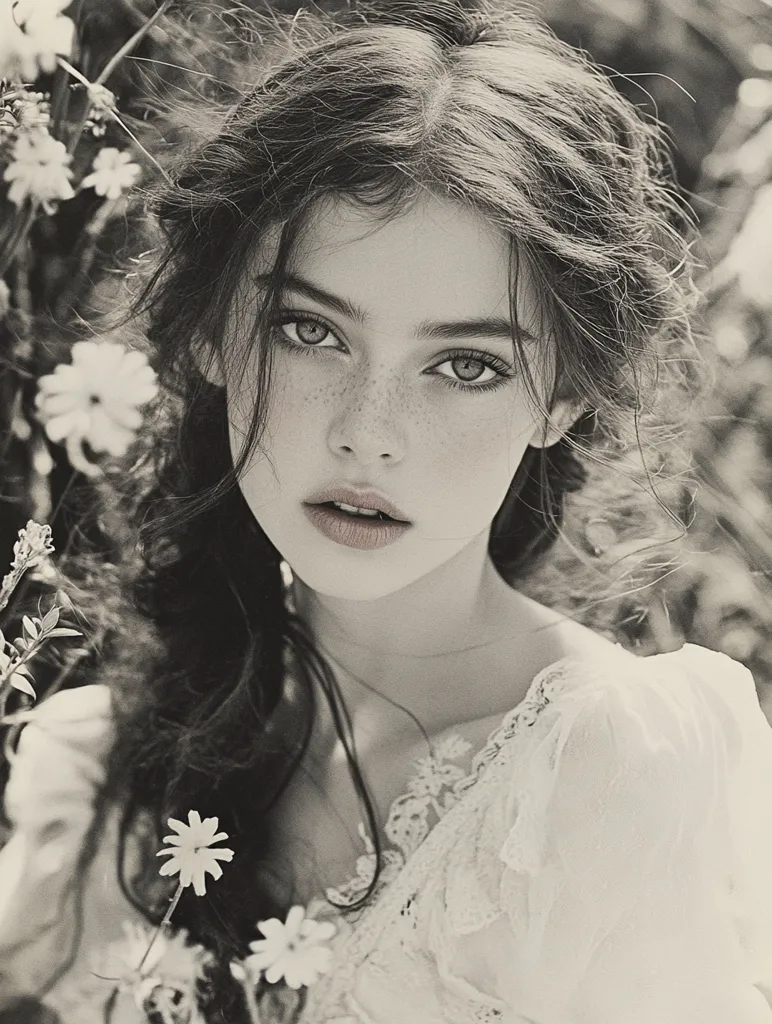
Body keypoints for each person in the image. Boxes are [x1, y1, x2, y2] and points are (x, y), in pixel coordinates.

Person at [3, 0, 772, 1021]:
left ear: (563, 397)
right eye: (310, 331)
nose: (373, 432)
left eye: (464, 363)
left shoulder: (609, 773)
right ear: (211, 335)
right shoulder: (104, 766)